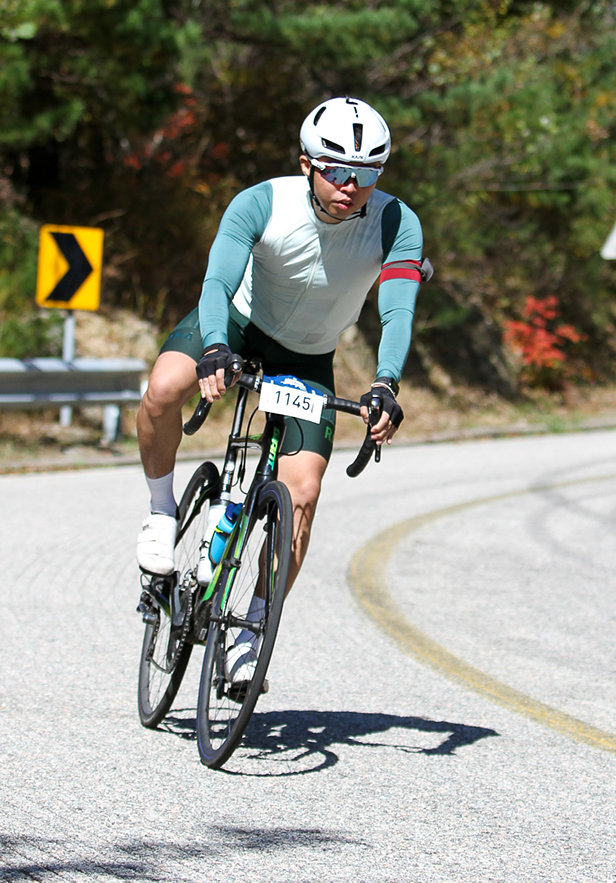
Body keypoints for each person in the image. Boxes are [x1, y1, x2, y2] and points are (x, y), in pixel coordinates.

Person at [135, 97, 424, 670]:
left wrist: (386, 383)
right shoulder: (261, 202)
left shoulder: (397, 223)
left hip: (308, 356)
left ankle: (251, 633)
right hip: (237, 326)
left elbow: (397, 310)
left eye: (367, 174)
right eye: (336, 171)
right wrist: (214, 346)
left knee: (303, 493)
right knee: (164, 388)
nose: (351, 187)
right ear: (306, 164)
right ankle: (162, 512)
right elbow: (217, 282)